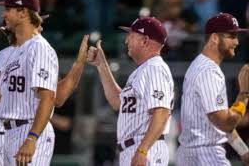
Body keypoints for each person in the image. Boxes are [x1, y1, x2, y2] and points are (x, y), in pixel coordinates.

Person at [0, 0, 89, 165]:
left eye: (8, 9)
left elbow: (49, 98)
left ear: (23, 13)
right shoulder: (15, 54)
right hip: (10, 132)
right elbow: (1, 98)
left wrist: (32, 138)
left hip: (28, 129)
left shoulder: (39, 48)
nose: (4, 14)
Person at [87, 17, 174, 166]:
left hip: (145, 148)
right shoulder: (143, 69)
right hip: (134, 147)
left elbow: (161, 112)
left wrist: (142, 150)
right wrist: (101, 65)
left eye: (131, 35)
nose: (127, 41)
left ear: (145, 41)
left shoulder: (154, 68)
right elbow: (118, 102)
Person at [176, 13, 249, 166]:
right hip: (205, 155)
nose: (236, 41)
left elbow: (218, 122)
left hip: (193, 153)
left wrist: (243, 151)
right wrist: (244, 93)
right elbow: (226, 123)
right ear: (215, 38)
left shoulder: (200, 65)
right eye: (231, 36)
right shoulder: (209, 72)